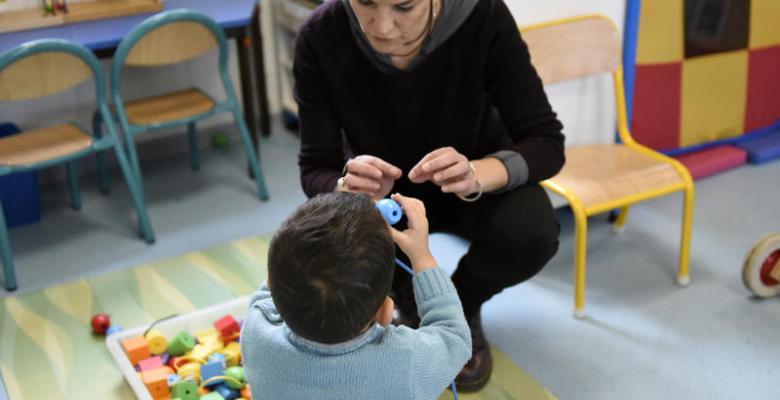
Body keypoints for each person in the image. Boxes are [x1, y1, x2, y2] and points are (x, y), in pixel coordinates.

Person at [294, 0, 565, 391]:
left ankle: (462, 302)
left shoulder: (482, 16)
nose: (382, 26)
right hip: (386, 203)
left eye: (404, 7)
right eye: (365, 2)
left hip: (472, 185)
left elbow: (546, 142)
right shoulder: (320, 35)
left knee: (532, 233)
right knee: (325, 250)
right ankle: (414, 303)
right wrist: (346, 187)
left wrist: (475, 174)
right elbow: (315, 168)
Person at [241, 192, 471, 399]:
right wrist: (422, 256)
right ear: (385, 313)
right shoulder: (406, 361)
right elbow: (454, 336)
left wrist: (336, 217)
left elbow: (272, 286)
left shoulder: (256, 330)